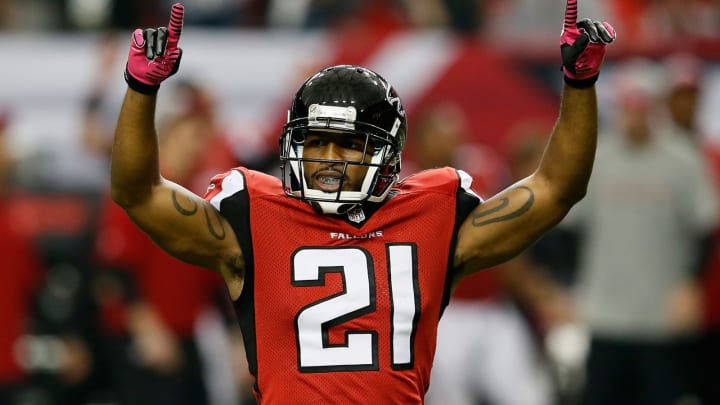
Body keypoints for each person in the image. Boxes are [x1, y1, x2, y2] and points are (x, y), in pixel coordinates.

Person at [109, 1, 615, 403]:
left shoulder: (432, 212)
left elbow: (556, 188)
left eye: (349, 143)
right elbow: (139, 193)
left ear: (389, 152)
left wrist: (579, 85)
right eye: (315, 143)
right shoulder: (253, 214)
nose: (329, 158)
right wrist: (140, 89)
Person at [563, 58, 719, 405]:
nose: (635, 116)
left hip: (661, 318)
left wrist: (690, 285)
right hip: (606, 315)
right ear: (618, 108)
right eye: (628, 107)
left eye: (642, 107)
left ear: (654, 108)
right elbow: (570, 230)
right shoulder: (596, 159)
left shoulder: (683, 159)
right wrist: (576, 285)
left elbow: (705, 228)